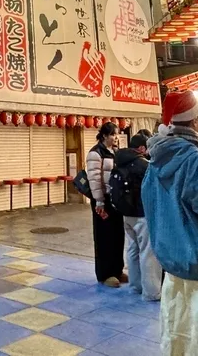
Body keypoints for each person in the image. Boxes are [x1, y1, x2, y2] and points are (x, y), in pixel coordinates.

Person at [142, 91, 198, 355]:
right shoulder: (197, 163)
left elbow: (150, 206)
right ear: (196, 122)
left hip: (172, 265)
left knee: (178, 336)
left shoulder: (153, 162)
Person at [110, 133, 162, 301]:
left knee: (132, 249)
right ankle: (151, 292)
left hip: (126, 214)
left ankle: (135, 286)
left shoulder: (119, 162)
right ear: (141, 148)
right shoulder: (144, 165)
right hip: (142, 215)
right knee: (148, 252)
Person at [86, 121, 126, 287]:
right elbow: (94, 180)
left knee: (118, 235)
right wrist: (100, 201)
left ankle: (117, 270)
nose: (115, 137)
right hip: (102, 200)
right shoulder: (95, 154)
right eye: (112, 134)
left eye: (116, 134)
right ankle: (105, 273)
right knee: (105, 237)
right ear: (104, 135)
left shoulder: (115, 152)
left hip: (115, 200)